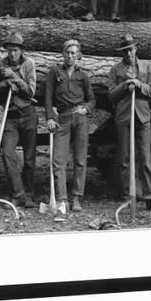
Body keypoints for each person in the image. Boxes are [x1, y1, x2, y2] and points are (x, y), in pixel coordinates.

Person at [108, 34, 151, 212]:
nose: (128, 54)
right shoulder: (115, 70)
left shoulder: (146, 67)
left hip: (143, 118)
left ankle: (150, 199)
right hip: (124, 118)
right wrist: (126, 85)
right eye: (125, 51)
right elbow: (111, 95)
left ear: (136, 49)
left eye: (131, 49)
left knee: (145, 157)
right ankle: (127, 197)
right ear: (122, 53)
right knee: (125, 159)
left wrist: (140, 85)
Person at [45, 40, 96, 213]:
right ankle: (62, 199)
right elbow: (48, 98)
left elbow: (92, 99)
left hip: (80, 118)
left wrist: (86, 109)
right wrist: (50, 117)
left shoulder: (82, 75)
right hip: (63, 118)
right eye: (68, 52)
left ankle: (76, 198)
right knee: (58, 160)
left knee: (80, 159)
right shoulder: (55, 72)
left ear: (78, 55)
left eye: (74, 53)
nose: (70, 56)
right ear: (63, 53)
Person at [0, 32, 37, 208]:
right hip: (10, 116)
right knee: (7, 153)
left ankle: (29, 194)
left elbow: (31, 92)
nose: (12, 54)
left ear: (21, 50)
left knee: (30, 158)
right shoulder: (0, 65)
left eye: (15, 50)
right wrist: (4, 83)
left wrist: (14, 76)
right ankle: (18, 193)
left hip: (28, 114)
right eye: (9, 50)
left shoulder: (29, 64)